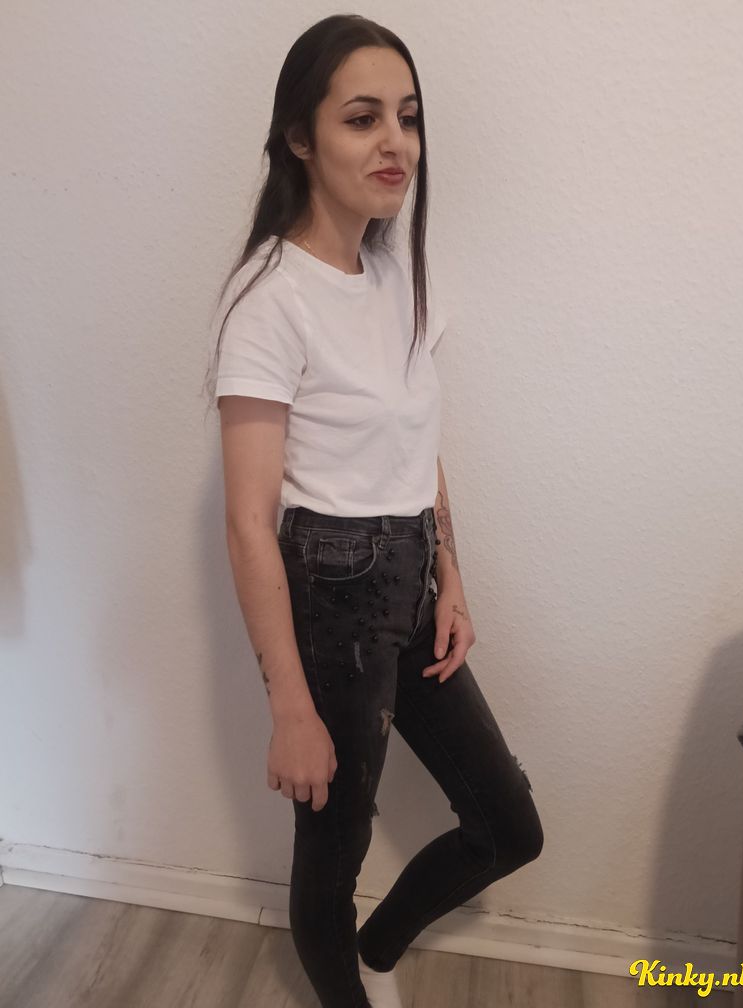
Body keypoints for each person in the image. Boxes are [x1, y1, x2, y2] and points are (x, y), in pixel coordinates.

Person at [204, 15, 544, 1008]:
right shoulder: (269, 301)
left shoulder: (399, 272)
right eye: (362, 119)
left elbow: (418, 443)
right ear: (299, 139)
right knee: (334, 845)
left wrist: (451, 579)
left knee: (508, 827)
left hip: (411, 575)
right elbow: (247, 521)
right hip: (332, 595)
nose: (395, 142)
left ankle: (376, 949)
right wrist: (290, 709)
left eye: (408, 117)